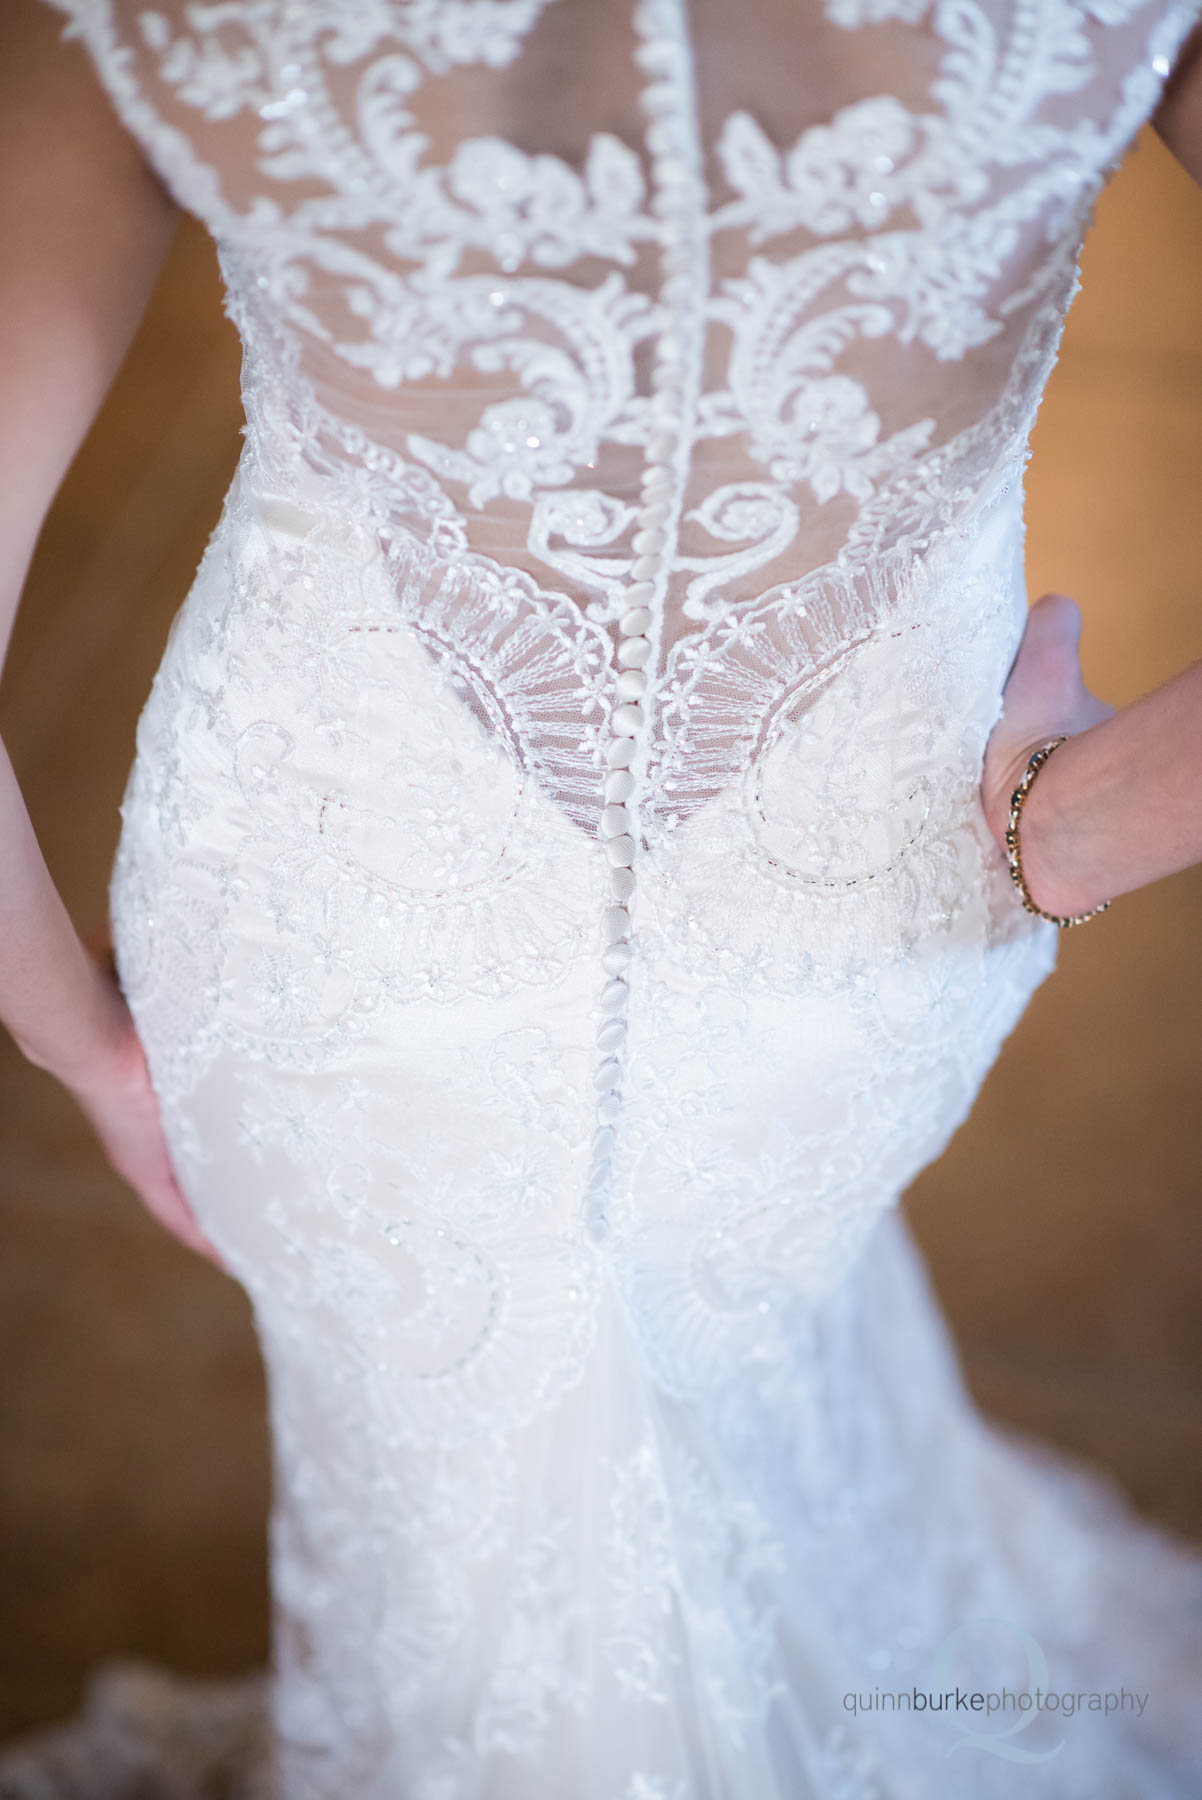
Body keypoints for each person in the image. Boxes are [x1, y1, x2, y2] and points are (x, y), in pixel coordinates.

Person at [1, 0, 1201, 1794]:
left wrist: (76, 1035)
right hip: (863, 912)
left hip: (322, 917)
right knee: (733, 1356)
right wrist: (1082, 825)